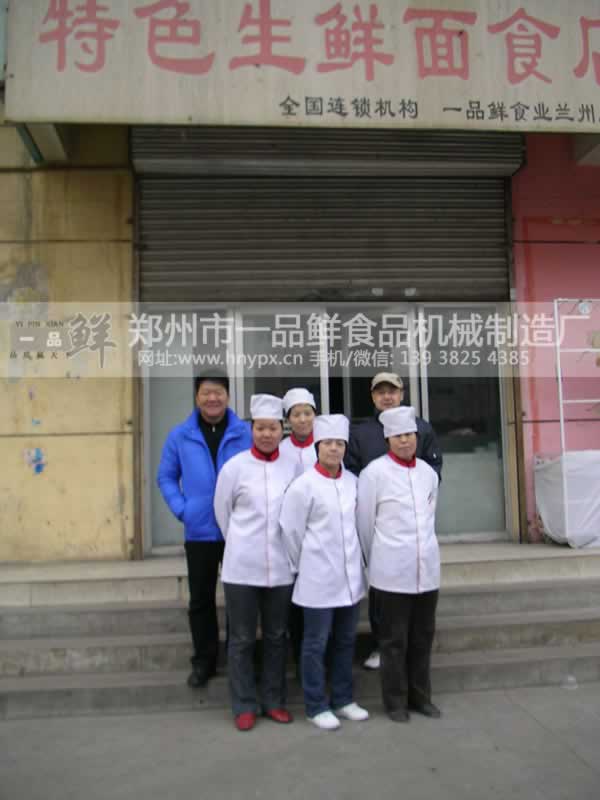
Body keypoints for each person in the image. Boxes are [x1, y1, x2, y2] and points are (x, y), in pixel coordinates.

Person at [157, 371, 251, 689]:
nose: (213, 398)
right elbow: (166, 477)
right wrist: (183, 509)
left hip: (238, 530)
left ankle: (240, 659)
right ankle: (204, 661)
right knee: (201, 600)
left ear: (228, 396)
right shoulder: (180, 435)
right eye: (206, 393)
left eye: (218, 392)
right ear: (197, 397)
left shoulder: (244, 433)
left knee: (240, 599)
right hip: (199, 532)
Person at [345, 371, 442, 671]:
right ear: (372, 396)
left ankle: (413, 650)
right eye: (380, 392)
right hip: (377, 522)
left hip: (414, 524)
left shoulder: (421, 428)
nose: (387, 397)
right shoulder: (361, 432)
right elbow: (351, 472)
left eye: (392, 391)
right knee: (383, 594)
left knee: (419, 597)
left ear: (402, 394)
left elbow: (433, 472)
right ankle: (380, 645)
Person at [214, 394, 296, 732]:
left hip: (281, 566)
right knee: (242, 638)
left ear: (281, 430)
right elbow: (223, 513)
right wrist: (241, 543)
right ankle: (244, 704)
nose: (266, 434)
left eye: (272, 428)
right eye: (260, 428)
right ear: (252, 429)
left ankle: (274, 701)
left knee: (276, 636)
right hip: (242, 567)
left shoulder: (292, 467)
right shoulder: (235, 467)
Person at [280, 415, 368, 731]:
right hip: (316, 577)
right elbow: (290, 532)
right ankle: (316, 705)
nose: (334, 449)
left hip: (350, 578)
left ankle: (343, 699)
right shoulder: (303, 486)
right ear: (318, 447)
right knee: (315, 643)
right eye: (328, 443)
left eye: (339, 443)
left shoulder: (354, 482)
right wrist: (302, 565)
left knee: (345, 640)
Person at [357, 406, 441, 723]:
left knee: (422, 637)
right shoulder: (373, 473)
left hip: (426, 569)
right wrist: (376, 559)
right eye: (398, 436)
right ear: (388, 439)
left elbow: (430, 516)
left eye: (409, 435)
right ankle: (395, 702)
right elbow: (365, 523)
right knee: (393, 641)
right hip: (390, 571)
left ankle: (421, 698)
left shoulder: (428, 473)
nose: (405, 441)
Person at [279, 387, 318, 672]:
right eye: (296, 414)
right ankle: (298, 656)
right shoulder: (281, 449)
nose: (302, 419)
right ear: (288, 420)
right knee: (294, 599)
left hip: (322, 534)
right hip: (290, 534)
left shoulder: (328, 445)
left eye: (307, 413)